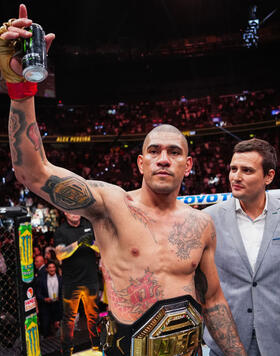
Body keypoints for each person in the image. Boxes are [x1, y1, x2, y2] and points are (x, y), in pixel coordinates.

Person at [0, 5, 247, 356]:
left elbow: (213, 299)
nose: (164, 158)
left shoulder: (202, 224)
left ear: (189, 164)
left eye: (174, 152)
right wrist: (21, 90)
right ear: (140, 163)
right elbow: (33, 172)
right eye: (155, 151)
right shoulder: (112, 204)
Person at [203, 138, 280, 355]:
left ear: (269, 176)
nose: (236, 177)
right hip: (226, 341)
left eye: (247, 170)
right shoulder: (208, 218)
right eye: (233, 169)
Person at [54, 212, 100, 355]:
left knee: (93, 316)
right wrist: (78, 243)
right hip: (71, 282)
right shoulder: (61, 231)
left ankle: (97, 346)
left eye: (76, 210)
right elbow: (60, 254)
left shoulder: (89, 225)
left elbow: (101, 248)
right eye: (70, 211)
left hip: (91, 279)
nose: (74, 214)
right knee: (69, 319)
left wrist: (91, 243)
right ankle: (67, 350)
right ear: (65, 212)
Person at [36, 260, 63, 338]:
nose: (52, 269)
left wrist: (59, 297)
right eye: (50, 267)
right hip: (45, 307)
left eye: (53, 267)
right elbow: (38, 293)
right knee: (46, 327)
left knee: (57, 327)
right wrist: (44, 299)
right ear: (46, 269)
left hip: (57, 306)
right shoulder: (42, 280)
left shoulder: (60, 279)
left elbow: (63, 292)